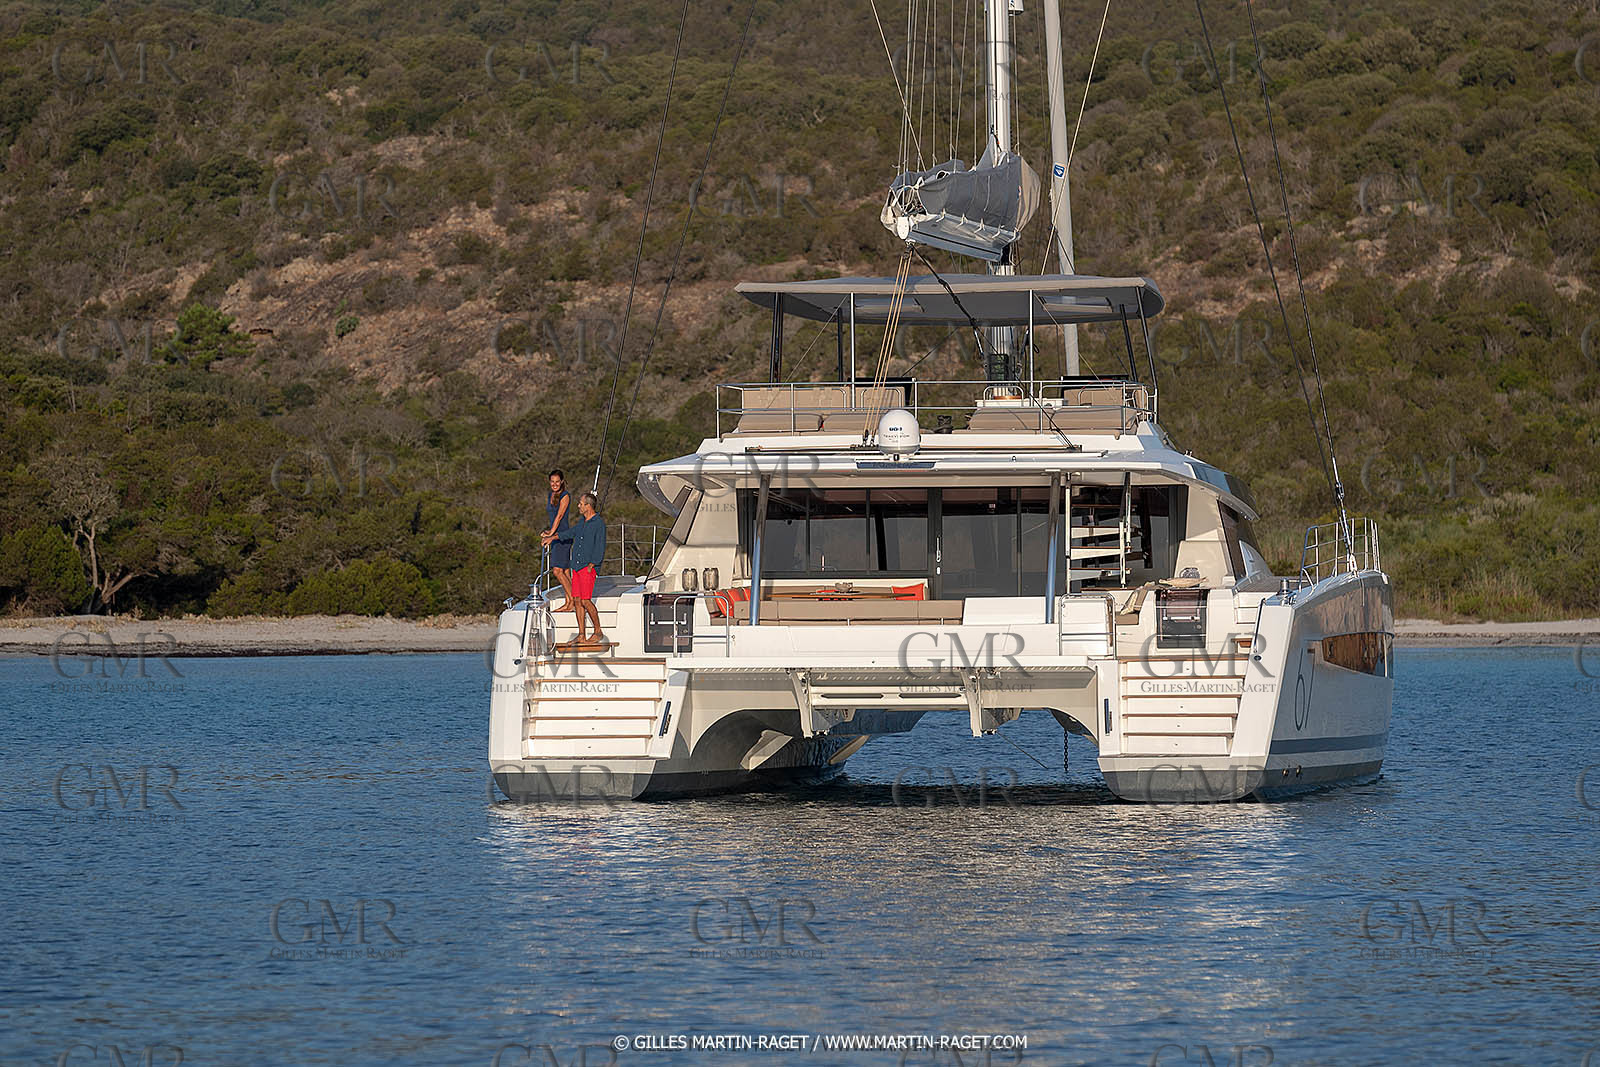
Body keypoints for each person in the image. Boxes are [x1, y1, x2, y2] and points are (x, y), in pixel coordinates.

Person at [567, 491, 608, 647]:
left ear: (588, 506)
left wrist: (593, 564)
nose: (578, 505)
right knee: (577, 600)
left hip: (587, 567)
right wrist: (553, 536)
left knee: (585, 600)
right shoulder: (582, 522)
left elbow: (600, 545)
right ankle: (581, 634)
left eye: (581, 503)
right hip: (576, 566)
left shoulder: (598, 523)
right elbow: (571, 533)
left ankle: (598, 631)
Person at [540, 470, 575, 612]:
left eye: (557, 481)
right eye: (552, 481)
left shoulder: (565, 496)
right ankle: (568, 602)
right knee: (565, 571)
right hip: (555, 533)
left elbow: (560, 516)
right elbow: (553, 517)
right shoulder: (550, 495)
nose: (554, 484)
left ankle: (573, 600)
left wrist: (551, 534)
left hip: (563, 535)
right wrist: (549, 531)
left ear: (562, 482)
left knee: (557, 571)